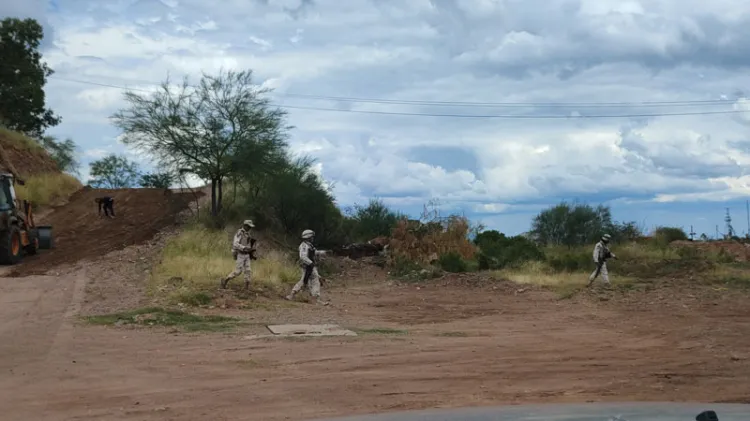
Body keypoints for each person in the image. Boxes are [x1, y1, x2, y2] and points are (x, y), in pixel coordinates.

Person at [286, 229, 328, 305]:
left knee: (306, 280)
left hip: (310, 266)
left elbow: (314, 252)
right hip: (307, 266)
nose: (313, 238)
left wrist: (322, 252)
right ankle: (316, 299)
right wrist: (311, 263)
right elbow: (303, 257)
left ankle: (292, 295)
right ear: (308, 237)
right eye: (312, 236)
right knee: (314, 281)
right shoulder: (304, 246)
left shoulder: (309, 245)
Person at [219, 219, 257, 290]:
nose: (250, 228)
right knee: (238, 271)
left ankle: (246, 287)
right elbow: (235, 244)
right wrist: (244, 248)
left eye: (250, 227)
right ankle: (225, 280)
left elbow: (248, 244)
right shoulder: (239, 233)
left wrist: (251, 251)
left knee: (248, 270)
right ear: (245, 226)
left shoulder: (248, 234)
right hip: (240, 254)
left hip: (247, 255)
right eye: (249, 226)